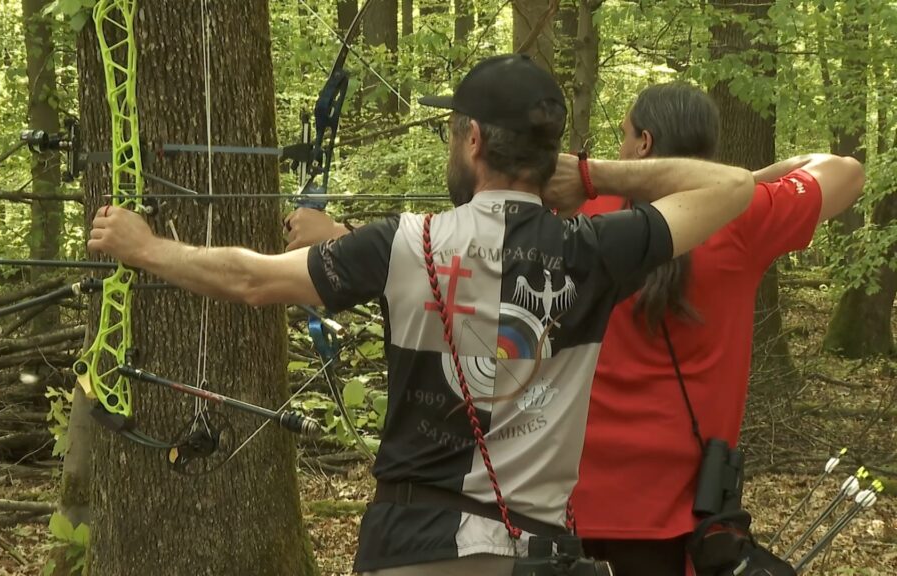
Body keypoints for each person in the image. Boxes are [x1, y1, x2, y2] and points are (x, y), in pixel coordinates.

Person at [88, 56, 755, 575]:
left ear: (471, 141)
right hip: (536, 552)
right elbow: (731, 186)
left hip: (411, 547)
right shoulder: (593, 251)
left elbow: (250, 279)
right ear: (544, 155)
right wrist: (593, 175)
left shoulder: (404, 242)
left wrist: (146, 248)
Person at [569, 83, 865, 576]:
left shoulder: (585, 216)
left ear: (643, 144)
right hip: (681, 513)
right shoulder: (745, 218)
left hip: (574, 502)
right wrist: (742, 185)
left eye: (624, 137)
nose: (619, 149)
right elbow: (845, 170)